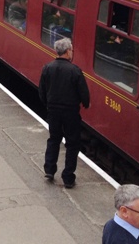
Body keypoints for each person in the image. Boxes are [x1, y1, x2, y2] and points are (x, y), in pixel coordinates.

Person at [38, 37, 90, 188]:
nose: (72, 52)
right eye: (71, 50)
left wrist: (48, 105)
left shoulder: (47, 68)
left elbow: (42, 91)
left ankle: (49, 170)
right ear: (68, 52)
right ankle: (68, 177)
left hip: (53, 111)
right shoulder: (75, 71)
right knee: (72, 144)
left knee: (54, 139)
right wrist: (85, 103)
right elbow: (84, 93)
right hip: (70, 112)